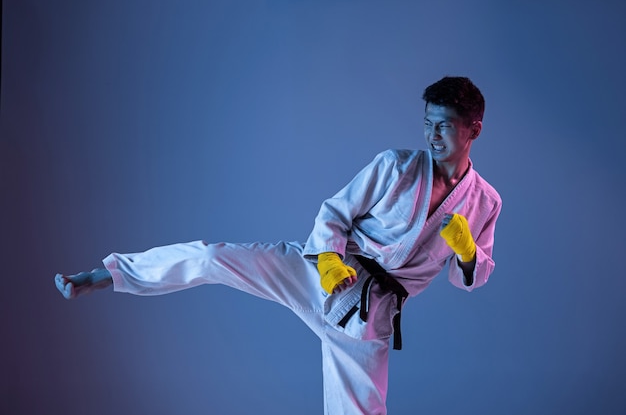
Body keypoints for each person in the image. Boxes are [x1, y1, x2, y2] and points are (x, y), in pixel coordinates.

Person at [55, 76, 502, 415]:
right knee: (214, 257)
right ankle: (108, 275)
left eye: (443, 126)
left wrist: (466, 252)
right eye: (427, 123)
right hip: (319, 275)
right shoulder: (396, 166)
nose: (432, 135)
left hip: (369, 320)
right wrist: (327, 260)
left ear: (473, 130)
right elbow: (334, 213)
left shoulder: (484, 203)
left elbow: (473, 278)